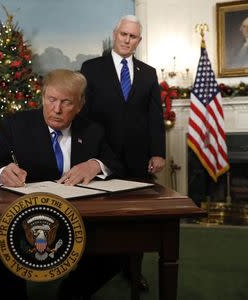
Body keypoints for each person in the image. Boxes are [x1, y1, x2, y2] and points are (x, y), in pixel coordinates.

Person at [0, 69, 123, 299]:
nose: (57, 109)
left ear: (79, 106)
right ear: (43, 98)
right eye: (51, 100)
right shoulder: (17, 125)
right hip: (24, 218)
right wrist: (2, 173)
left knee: (118, 250)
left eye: (66, 102)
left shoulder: (93, 130)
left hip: (81, 218)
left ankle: (72, 292)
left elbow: (116, 163)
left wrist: (94, 165)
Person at [80, 15, 166, 291]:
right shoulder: (91, 68)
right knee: (99, 217)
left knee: (136, 219)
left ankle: (133, 270)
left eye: (133, 37)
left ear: (139, 41)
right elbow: (84, 115)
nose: (128, 40)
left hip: (138, 160)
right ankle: (91, 275)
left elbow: (155, 116)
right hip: (100, 159)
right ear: (115, 34)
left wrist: (158, 153)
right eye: (124, 35)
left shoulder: (148, 72)